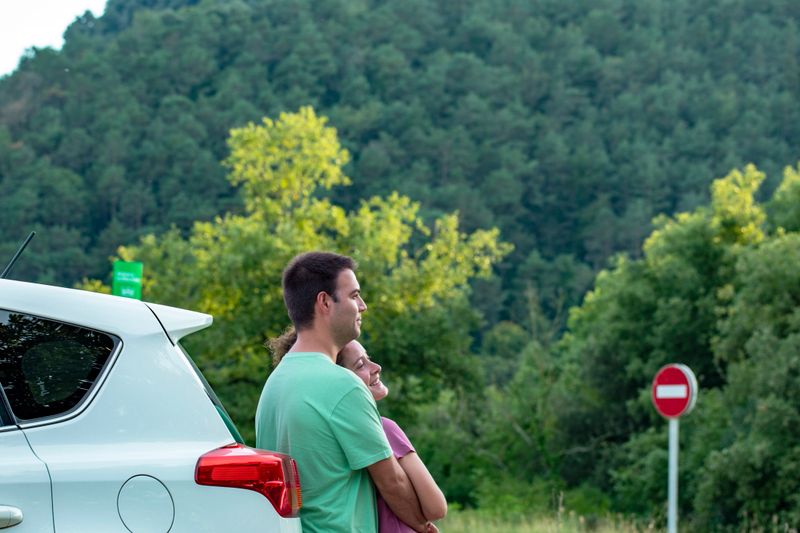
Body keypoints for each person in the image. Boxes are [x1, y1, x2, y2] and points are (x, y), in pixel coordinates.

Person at [255, 251, 432, 533]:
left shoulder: (274, 384)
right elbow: (392, 482)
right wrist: (422, 526)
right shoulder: (343, 384)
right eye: (354, 296)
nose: (362, 306)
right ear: (325, 302)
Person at [269, 332, 448, 533]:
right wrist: (421, 525)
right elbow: (436, 507)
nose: (376, 367)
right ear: (341, 378)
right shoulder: (386, 428)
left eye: (369, 359)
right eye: (361, 365)